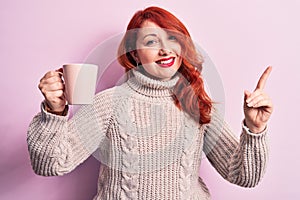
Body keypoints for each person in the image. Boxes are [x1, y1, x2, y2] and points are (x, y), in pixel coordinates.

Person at [27, 6, 273, 200]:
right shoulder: (109, 104)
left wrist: (255, 129)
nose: (165, 50)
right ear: (134, 54)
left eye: (172, 39)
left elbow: (244, 175)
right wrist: (54, 111)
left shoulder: (196, 102)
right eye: (152, 42)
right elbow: (51, 164)